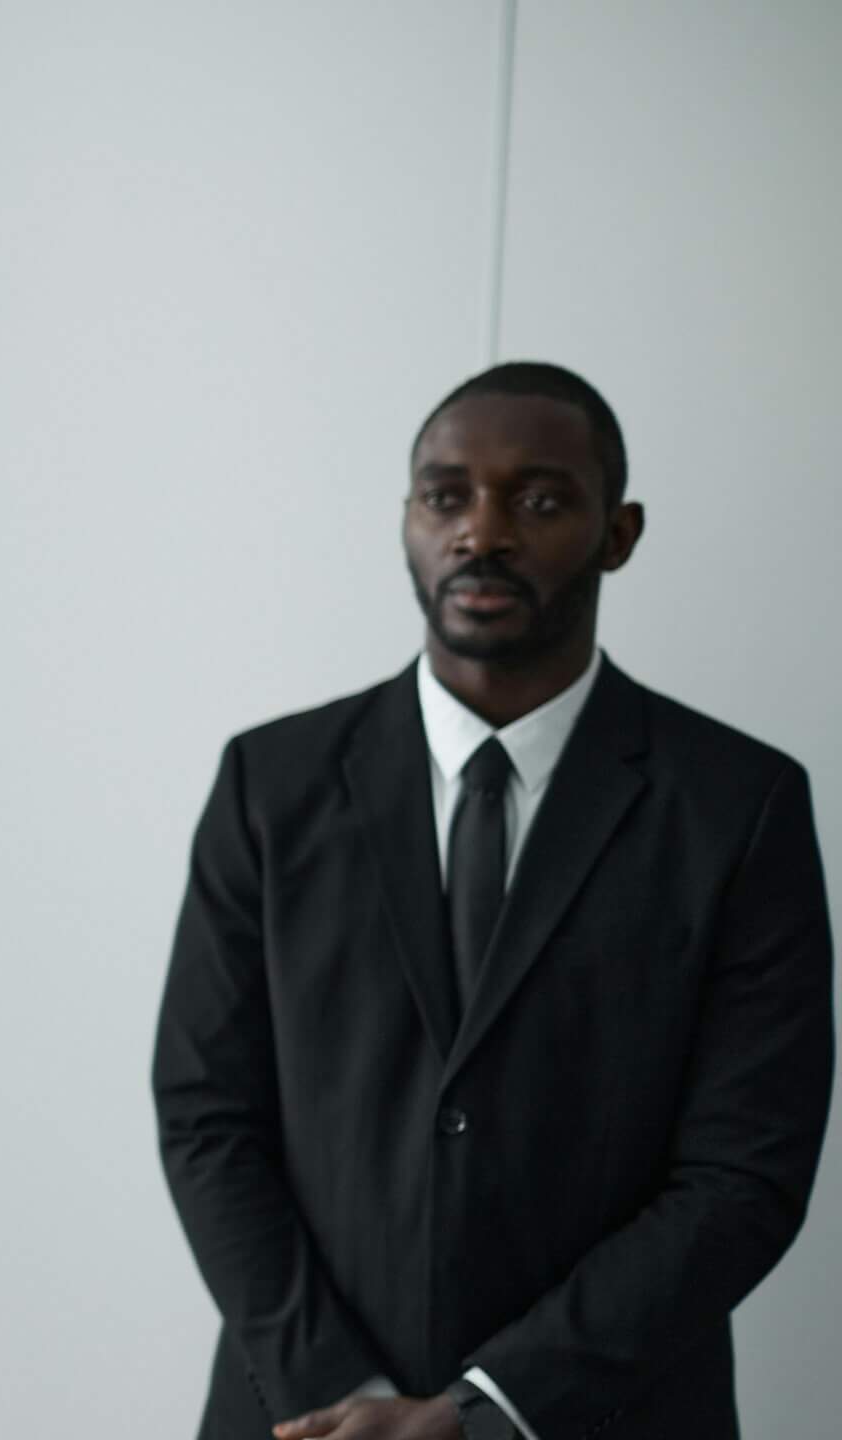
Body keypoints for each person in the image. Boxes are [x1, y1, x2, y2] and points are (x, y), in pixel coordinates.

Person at [153, 362, 833, 1440]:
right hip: (303, 1417)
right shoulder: (268, 785)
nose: (483, 531)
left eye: (541, 499)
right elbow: (205, 1116)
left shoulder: (737, 806)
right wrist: (350, 1397)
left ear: (619, 532)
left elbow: (743, 1172)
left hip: (612, 1415)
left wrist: (491, 1410)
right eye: (446, 496)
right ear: (407, 521)